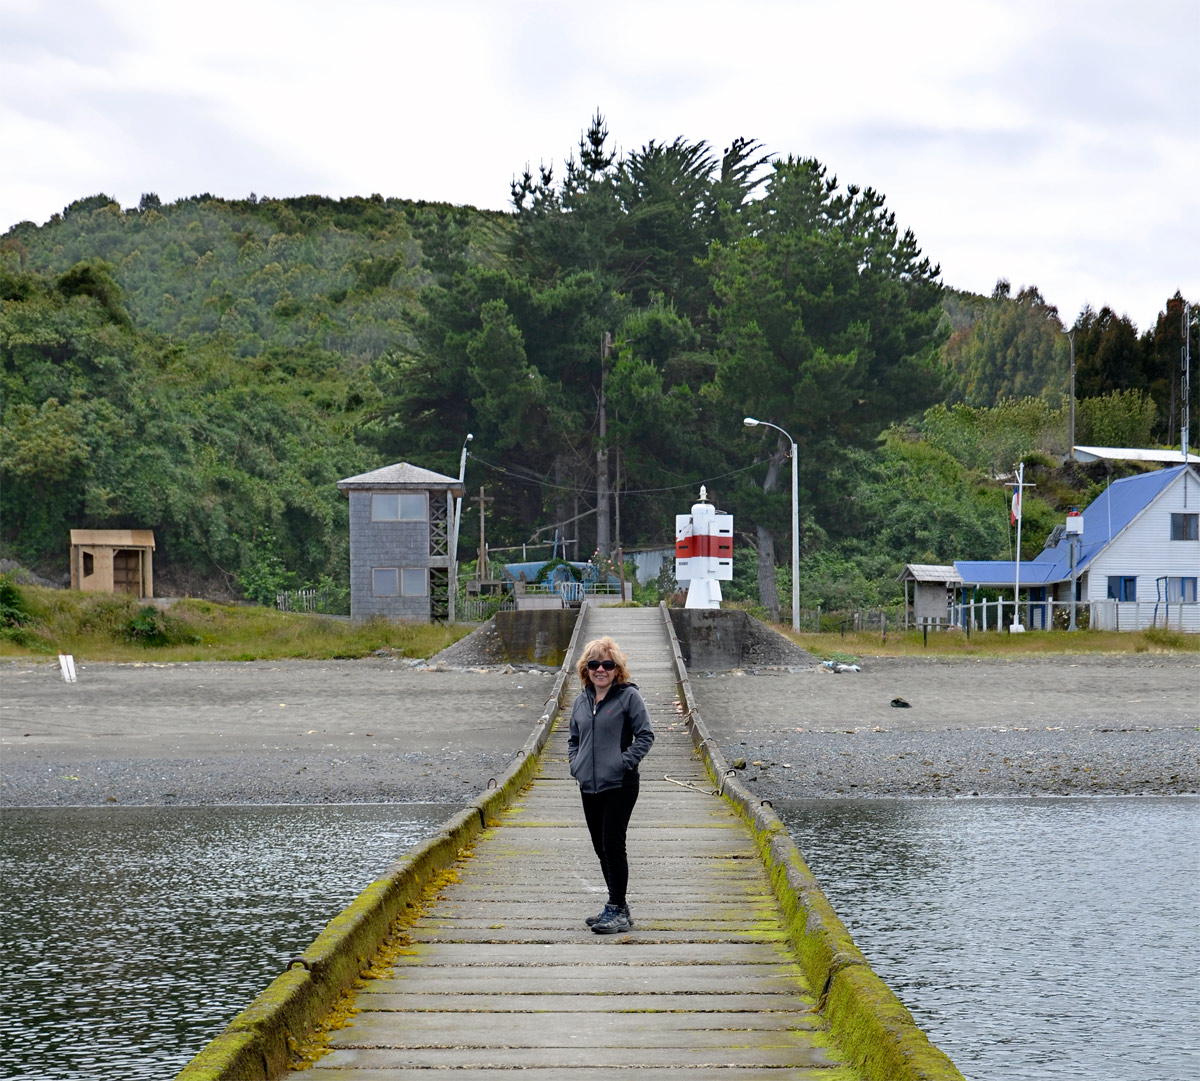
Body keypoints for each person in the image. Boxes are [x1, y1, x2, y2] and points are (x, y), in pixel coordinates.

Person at [567, 635, 655, 934]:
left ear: (617, 669)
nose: (600, 669)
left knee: (612, 844)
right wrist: (575, 765)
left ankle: (616, 909)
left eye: (607, 664)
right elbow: (574, 740)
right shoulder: (581, 701)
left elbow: (646, 736)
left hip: (619, 783)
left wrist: (623, 762)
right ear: (585, 669)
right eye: (594, 664)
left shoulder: (629, 697)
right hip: (588, 784)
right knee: (599, 846)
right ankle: (618, 905)